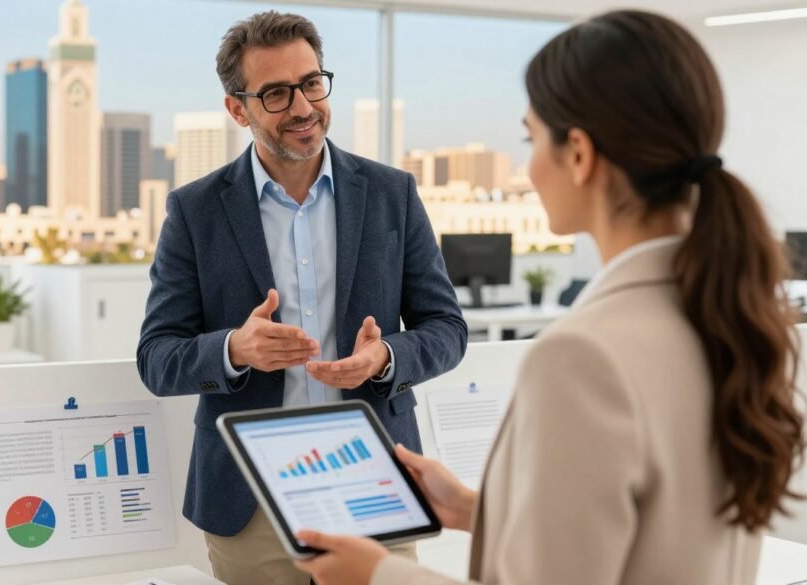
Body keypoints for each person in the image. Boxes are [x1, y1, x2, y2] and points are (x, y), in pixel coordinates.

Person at [295, 9, 805, 585]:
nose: (529, 166)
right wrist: (470, 508)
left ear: (580, 155)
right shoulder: (730, 318)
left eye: (530, 138)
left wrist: (377, 575)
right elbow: (650, 536)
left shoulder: (584, 359)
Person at [136, 11, 469, 585]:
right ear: (237, 109)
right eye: (276, 93)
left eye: (312, 83)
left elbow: (446, 328)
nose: (303, 106)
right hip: (250, 499)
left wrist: (384, 357)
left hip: (373, 484)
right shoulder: (195, 212)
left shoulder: (393, 194)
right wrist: (235, 349)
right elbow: (156, 358)